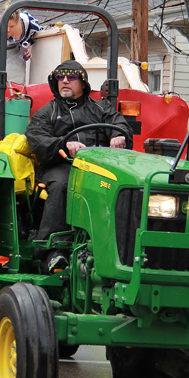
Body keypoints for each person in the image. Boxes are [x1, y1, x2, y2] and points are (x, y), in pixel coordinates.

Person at [25, 60, 132, 273]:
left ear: (82, 82)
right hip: (61, 165)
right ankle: (53, 252)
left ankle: (123, 250)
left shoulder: (102, 108)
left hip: (100, 167)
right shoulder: (46, 112)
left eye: (71, 76)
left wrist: (119, 136)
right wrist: (63, 143)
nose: (65, 81)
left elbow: (120, 125)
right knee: (62, 184)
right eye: (60, 77)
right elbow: (36, 139)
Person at [0, 2, 43, 84]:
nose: (8, 30)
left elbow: (37, 32)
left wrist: (28, 43)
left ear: (18, 20)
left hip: (18, 60)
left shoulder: (27, 22)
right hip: (0, 58)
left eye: (12, 26)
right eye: (5, 26)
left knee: (18, 87)